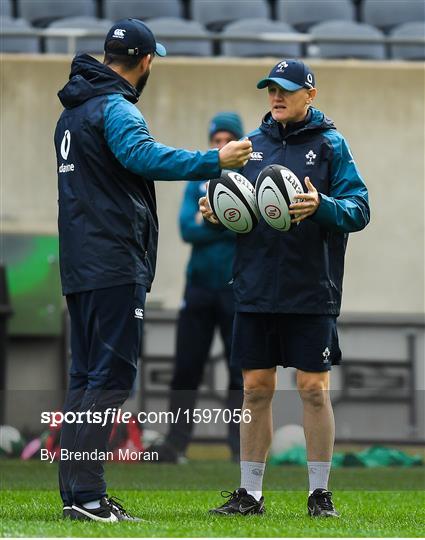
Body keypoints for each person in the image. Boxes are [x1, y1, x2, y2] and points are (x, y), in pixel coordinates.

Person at [54, 18, 252, 523]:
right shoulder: (115, 108)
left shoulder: (73, 114)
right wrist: (216, 160)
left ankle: (78, 494)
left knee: (85, 377)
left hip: (80, 265)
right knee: (112, 376)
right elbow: (142, 156)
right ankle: (91, 496)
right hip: (115, 262)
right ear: (145, 61)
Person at [200, 59, 370, 517]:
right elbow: (238, 211)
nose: (276, 97)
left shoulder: (332, 145)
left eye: (287, 90)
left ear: (310, 95)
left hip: (311, 288)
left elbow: (359, 209)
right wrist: (218, 212)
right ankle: (250, 494)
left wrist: (322, 205)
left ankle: (319, 494)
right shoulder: (249, 146)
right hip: (255, 287)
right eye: (271, 89)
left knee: (314, 388)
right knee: (255, 389)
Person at [152, 113, 245, 464]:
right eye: (215, 140)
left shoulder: (246, 179)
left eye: (227, 140)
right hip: (198, 288)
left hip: (234, 290)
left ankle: (239, 446)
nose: (220, 146)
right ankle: (177, 443)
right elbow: (186, 230)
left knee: (240, 371)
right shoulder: (198, 180)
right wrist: (228, 218)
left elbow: (248, 226)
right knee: (186, 368)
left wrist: (211, 218)